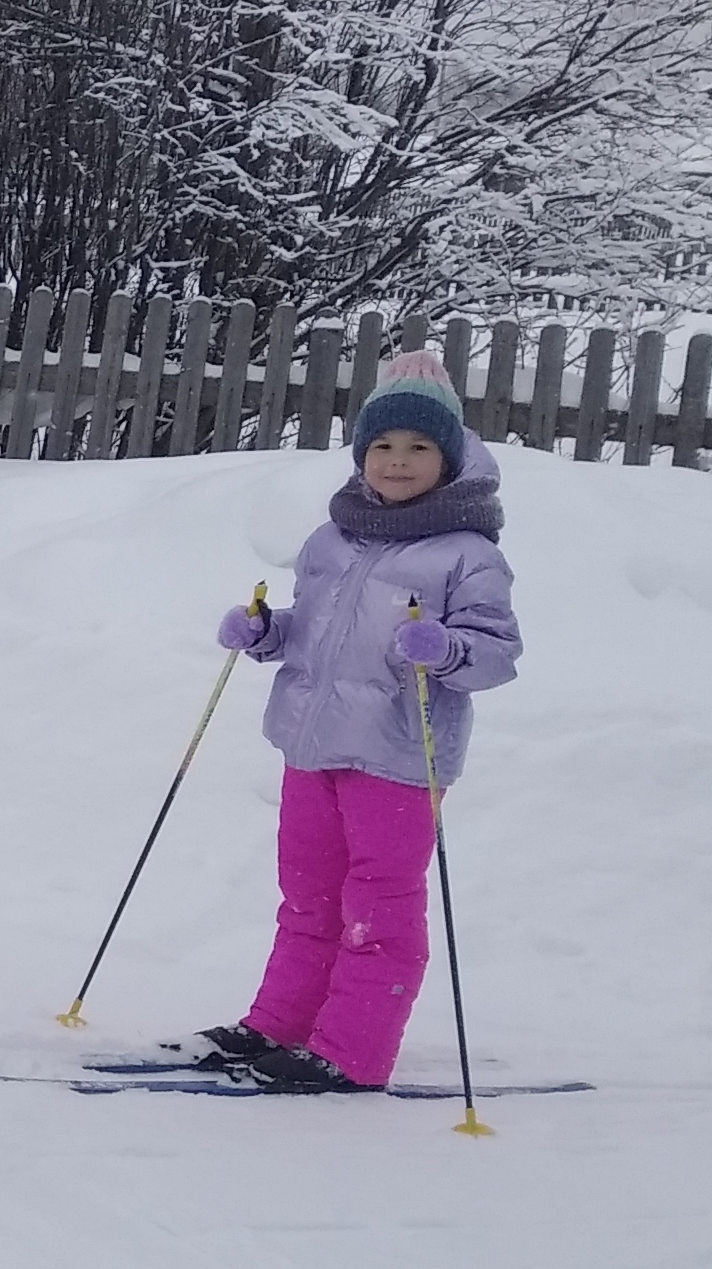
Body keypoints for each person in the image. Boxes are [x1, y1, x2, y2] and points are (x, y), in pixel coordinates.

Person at [197, 350, 518, 1095]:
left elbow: (497, 655)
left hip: (401, 757)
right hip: (312, 747)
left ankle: (351, 1051)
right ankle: (280, 1024)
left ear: (450, 457)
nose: (397, 462)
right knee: (308, 895)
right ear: (360, 453)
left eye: (418, 447)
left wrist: (446, 649)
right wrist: (265, 632)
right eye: (382, 445)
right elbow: (310, 632)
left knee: (378, 906)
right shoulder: (332, 540)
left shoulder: (468, 554)